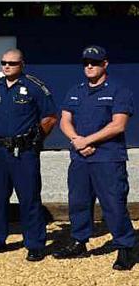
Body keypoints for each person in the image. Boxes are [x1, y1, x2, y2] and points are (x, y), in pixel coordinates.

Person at [56, 45, 136, 271]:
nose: (90, 66)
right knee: (78, 202)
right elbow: (65, 120)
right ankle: (79, 241)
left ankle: (125, 247)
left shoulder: (119, 91)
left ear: (105, 64)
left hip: (108, 158)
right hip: (80, 157)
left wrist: (87, 141)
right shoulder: (76, 90)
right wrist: (76, 140)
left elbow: (118, 125)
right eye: (86, 63)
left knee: (113, 203)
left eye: (95, 62)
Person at [0, 49, 58, 262]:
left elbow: (50, 117)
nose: (7, 66)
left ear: (22, 64)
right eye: (4, 62)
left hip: (25, 151)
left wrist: (35, 137)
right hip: (1, 150)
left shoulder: (34, 86)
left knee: (29, 197)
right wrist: (3, 129)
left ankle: (35, 244)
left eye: (12, 63)